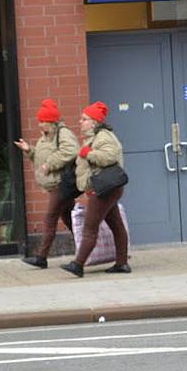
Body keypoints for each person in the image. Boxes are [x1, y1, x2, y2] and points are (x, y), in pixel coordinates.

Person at [60, 101, 130, 278]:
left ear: (94, 122)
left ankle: (78, 264)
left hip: (103, 189)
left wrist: (88, 154)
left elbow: (110, 156)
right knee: (116, 225)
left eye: (84, 119)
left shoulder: (103, 136)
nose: (80, 121)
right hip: (107, 189)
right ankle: (122, 263)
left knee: (90, 228)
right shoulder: (95, 137)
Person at [14, 98, 79, 269]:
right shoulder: (46, 136)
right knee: (69, 218)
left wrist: (50, 164)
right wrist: (29, 150)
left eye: (43, 121)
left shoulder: (63, 133)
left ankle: (41, 257)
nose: (40, 125)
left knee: (50, 218)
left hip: (61, 185)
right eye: (39, 121)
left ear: (52, 121)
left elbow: (71, 151)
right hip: (54, 185)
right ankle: (88, 246)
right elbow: (41, 158)